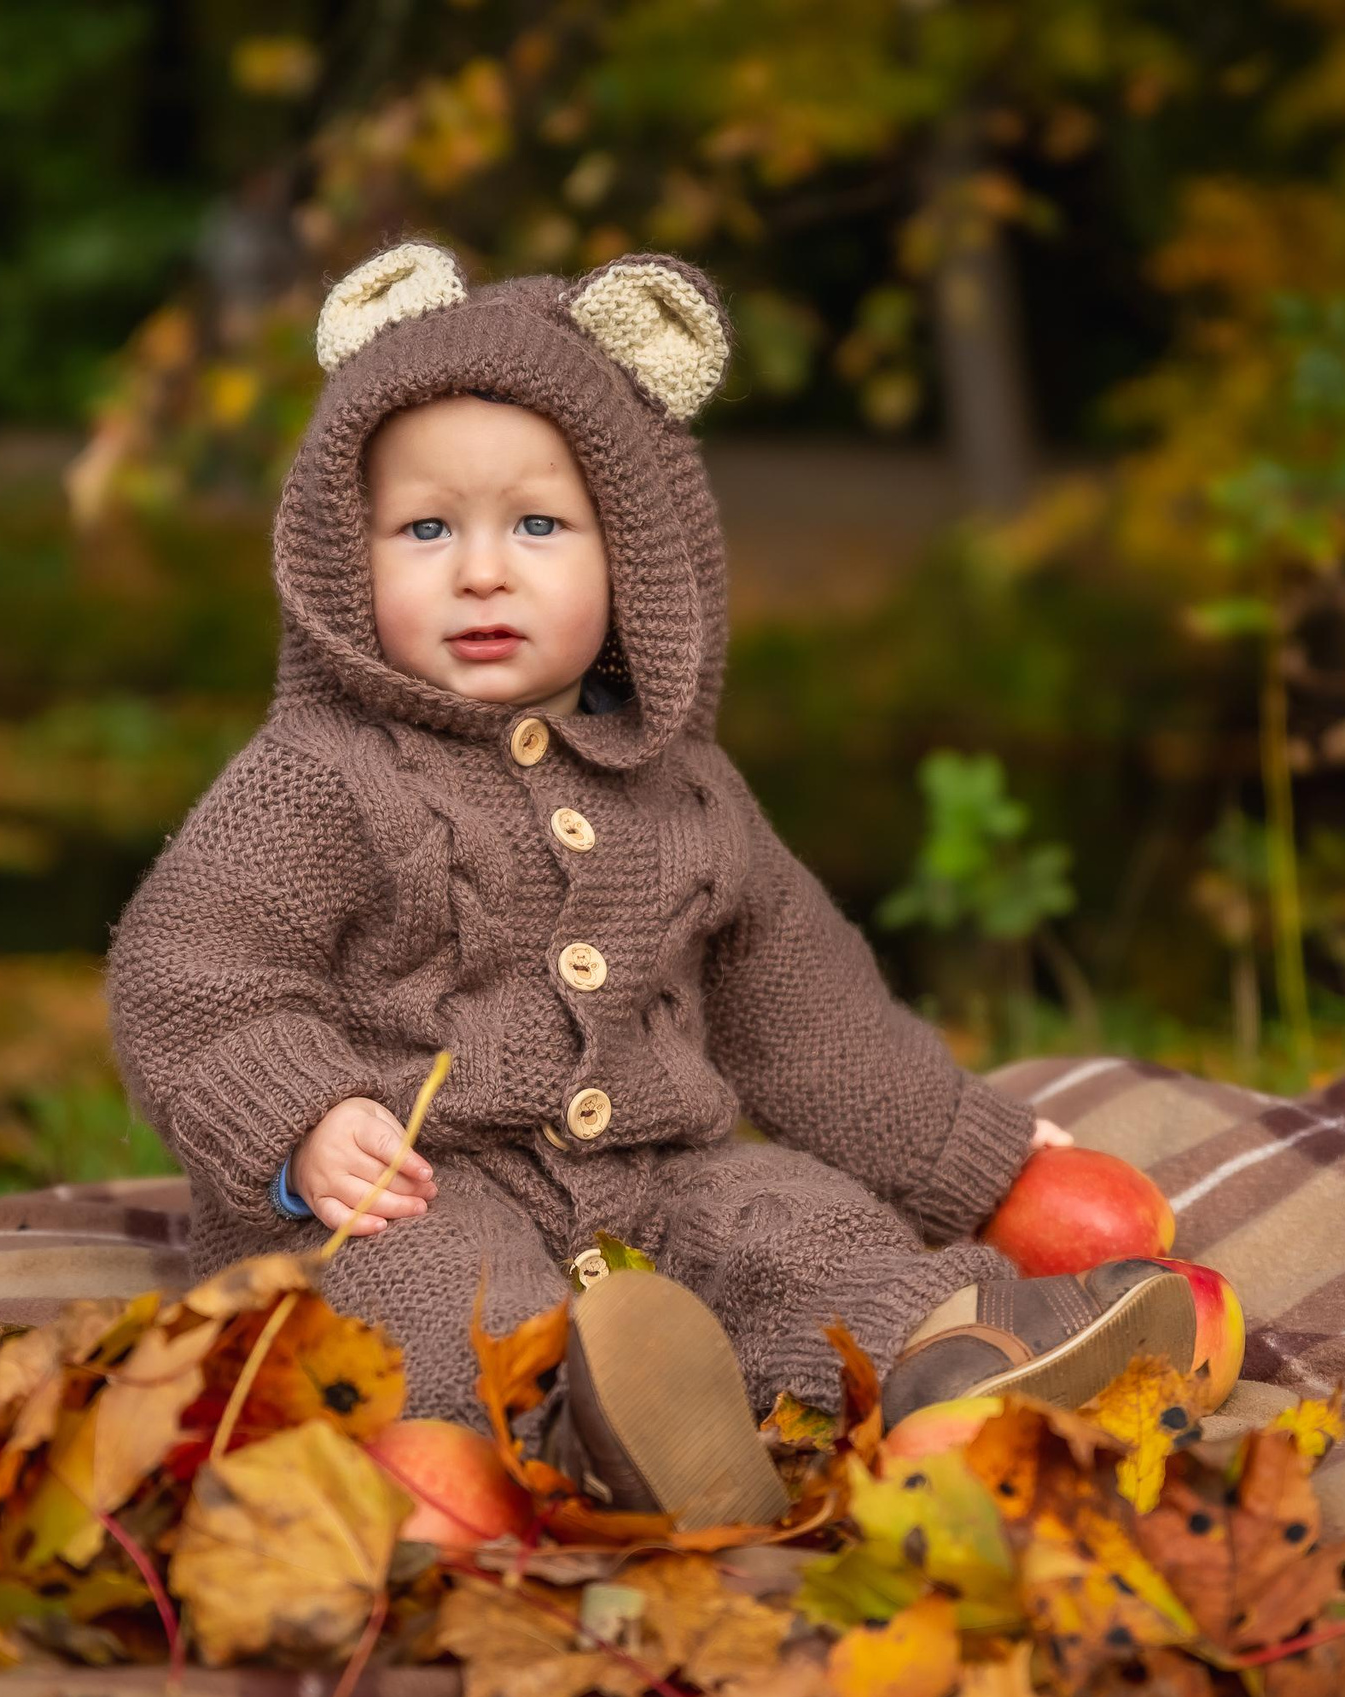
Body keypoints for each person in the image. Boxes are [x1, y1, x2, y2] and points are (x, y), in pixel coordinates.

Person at [106, 241, 1195, 1526]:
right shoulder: (320, 777)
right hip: (411, 1178)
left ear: (636, 560)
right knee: (432, 1300)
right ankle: (579, 1428)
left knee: (797, 1225)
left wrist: (972, 1154)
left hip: (653, 1174)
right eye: (425, 529)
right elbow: (189, 971)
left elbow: (804, 1011)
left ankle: (954, 1355)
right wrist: (301, 1123)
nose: (481, 571)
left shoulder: (686, 794)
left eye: (538, 526)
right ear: (348, 560)